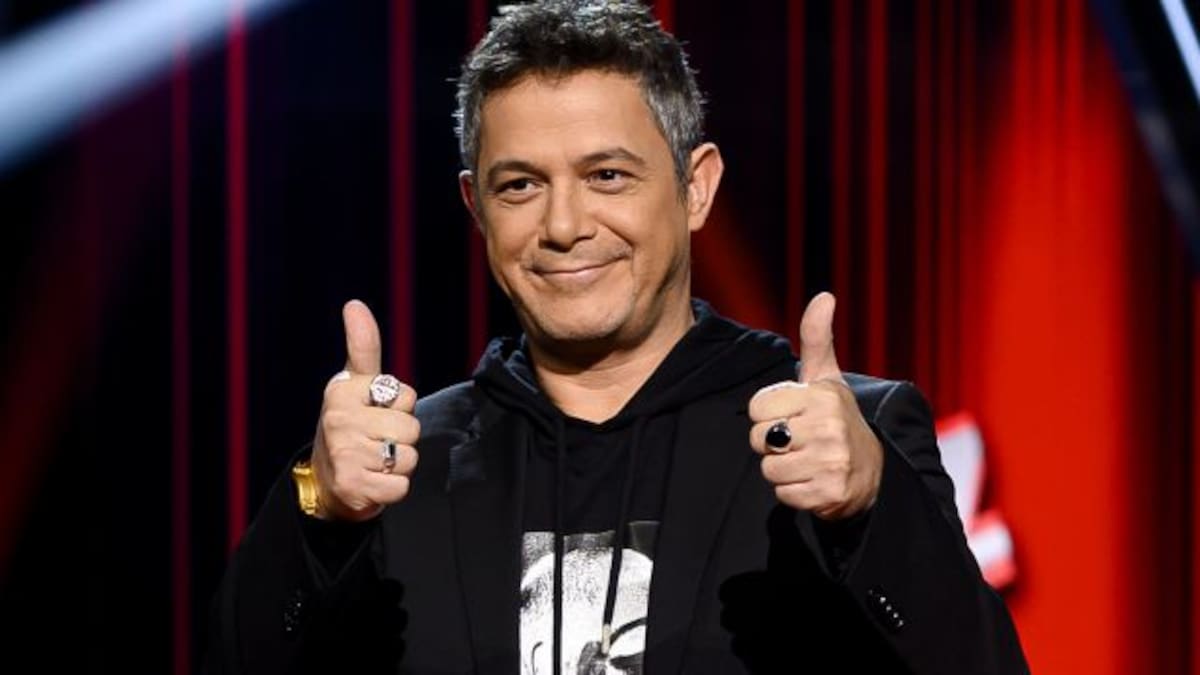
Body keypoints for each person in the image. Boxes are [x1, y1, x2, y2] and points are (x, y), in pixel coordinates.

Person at [204, 1, 1029, 673]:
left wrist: (871, 506)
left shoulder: (845, 437)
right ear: (475, 207)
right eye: (520, 185)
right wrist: (317, 510)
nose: (564, 225)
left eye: (607, 175)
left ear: (696, 187)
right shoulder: (393, 464)